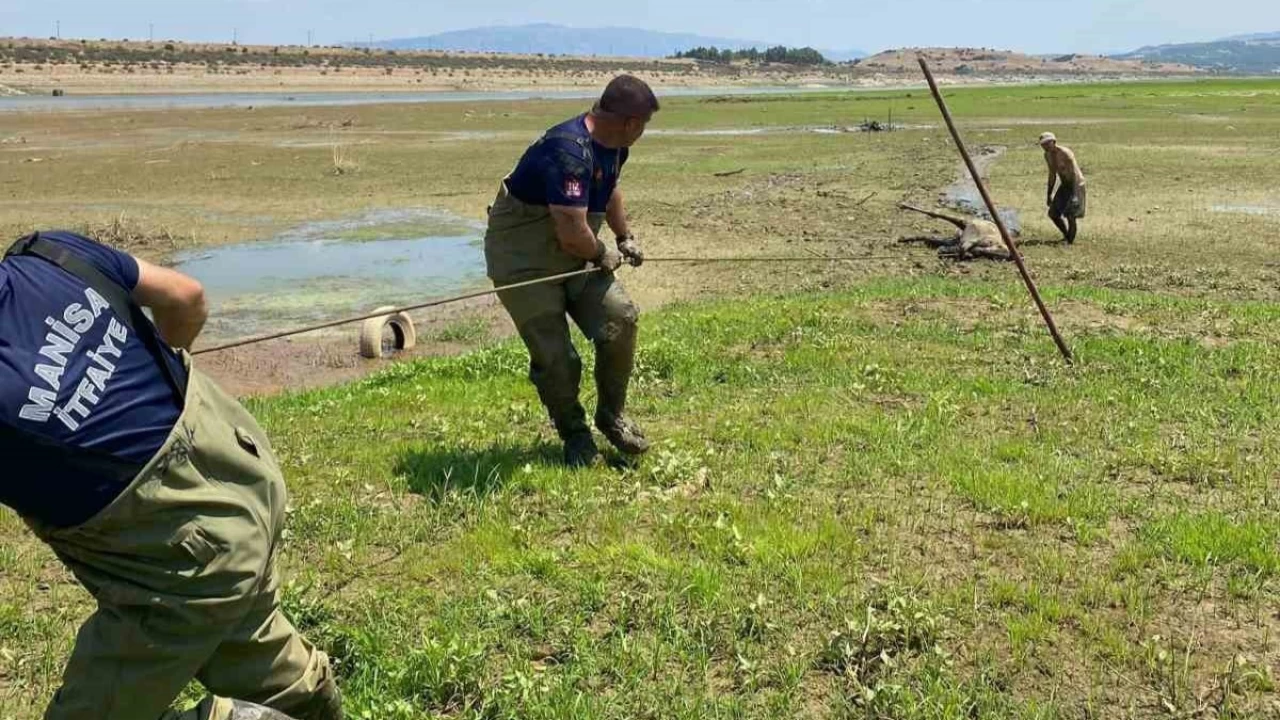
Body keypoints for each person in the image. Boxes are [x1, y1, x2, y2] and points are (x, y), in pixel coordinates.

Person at [0, 231, 342, 720]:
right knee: (248, 641)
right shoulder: (50, 253)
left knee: (182, 612)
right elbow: (188, 298)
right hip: (241, 469)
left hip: (178, 555)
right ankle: (303, 704)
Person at [483, 75, 659, 467]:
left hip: (578, 253)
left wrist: (624, 236)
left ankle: (612, 417)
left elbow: (610, 189)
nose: (643, 132)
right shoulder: (568, 150)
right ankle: (575, 436)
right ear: (630, 122)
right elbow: (570, 232)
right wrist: (601, 254)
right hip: (525, 259)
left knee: (620, 318)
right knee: (558, 358)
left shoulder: (614, 147)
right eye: (644, 124)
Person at [1039, 131, 1087, 244]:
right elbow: (1052, 174)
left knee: (1071, 214)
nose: (1045, 146)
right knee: (1053, 214)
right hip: (1065, 185)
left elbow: (1074, 173)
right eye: (1042, 144)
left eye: (1047, 143)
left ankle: (1070, 241)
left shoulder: (1065, 153)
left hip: (1076, 184)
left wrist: (1075, 194)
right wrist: (1049, 194)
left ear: (1054, 142)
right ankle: (1066, 236)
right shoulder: (1047, 156)